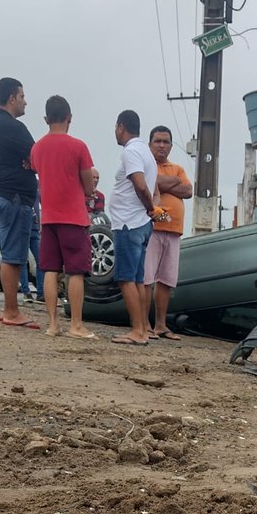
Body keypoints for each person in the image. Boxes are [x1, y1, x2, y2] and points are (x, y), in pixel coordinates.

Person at [29, 95, 98, 339]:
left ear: (46, 119)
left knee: (50, 269)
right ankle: (76, 325)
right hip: (74, 217)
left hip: (48, 218)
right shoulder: (78, 146)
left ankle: (53, 324)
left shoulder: (37, 148)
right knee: (75, 271)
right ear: (69, 117)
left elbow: (40, 172)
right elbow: (89, 186)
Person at [0, 77, 40, 329]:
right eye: (22, 95)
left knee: (10, 254)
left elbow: (31, 158)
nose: (25, 101)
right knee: (13, 257)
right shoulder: (13, 127)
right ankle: (11, 311)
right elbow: (37, 158)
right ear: (12, 98)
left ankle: (10, 309)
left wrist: (28, 161)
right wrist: (30, 163)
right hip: (13, 198)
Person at [108, 110, 159, 346]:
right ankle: (142, 329)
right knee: (137, 279)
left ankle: (138, 331)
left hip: (129, 222)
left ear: (121, 126)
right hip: (140, 222)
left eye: (116, 128)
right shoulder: (146, 152)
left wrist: (150, 207)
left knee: (126, 279)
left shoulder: (131, 152)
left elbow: (139, 184)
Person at [142, 125, 192, 340]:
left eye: (166, 141)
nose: (162, 145)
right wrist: (169, 183)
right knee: (146, 278)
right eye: (158, 141)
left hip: (174, 230)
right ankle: (143, 324)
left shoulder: (177, 167)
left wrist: (163, 184)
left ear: (171, 145)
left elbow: (188, 190)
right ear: (150, 143)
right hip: (152, 227)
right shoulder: (145, 164)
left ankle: (160, 325)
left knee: (166, 280)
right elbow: (148, 183)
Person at [18, 196, 45, 303]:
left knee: (41, 261)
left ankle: (41, 293)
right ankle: (26, 292)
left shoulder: (37, 187)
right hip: (22, 227)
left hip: (35, 227)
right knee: (23, 260)